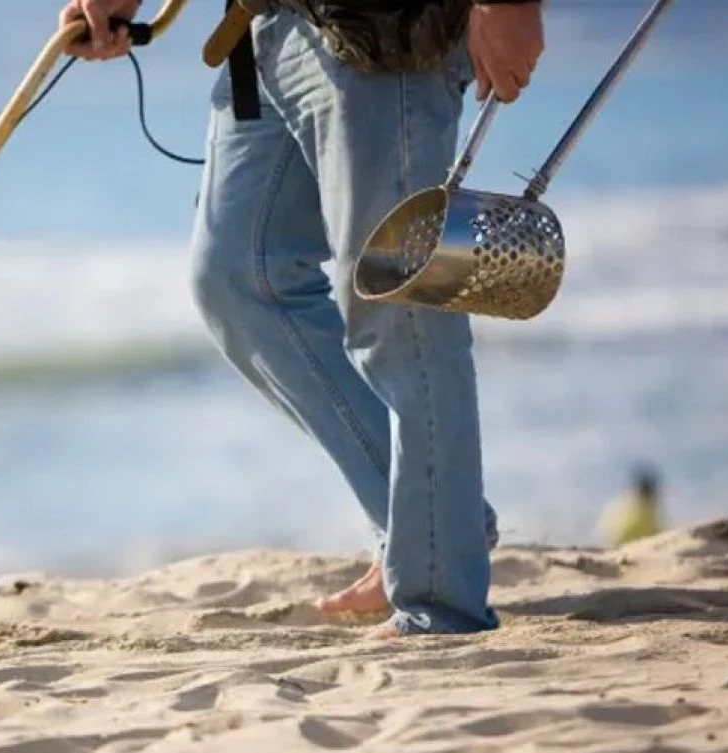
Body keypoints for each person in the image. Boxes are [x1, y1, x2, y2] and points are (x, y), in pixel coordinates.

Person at [58, 0, 545, 637]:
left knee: (402, 313)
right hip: (270, 27)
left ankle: (440, 602)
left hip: (386, 36)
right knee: (235, 278)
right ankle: (427, 530)